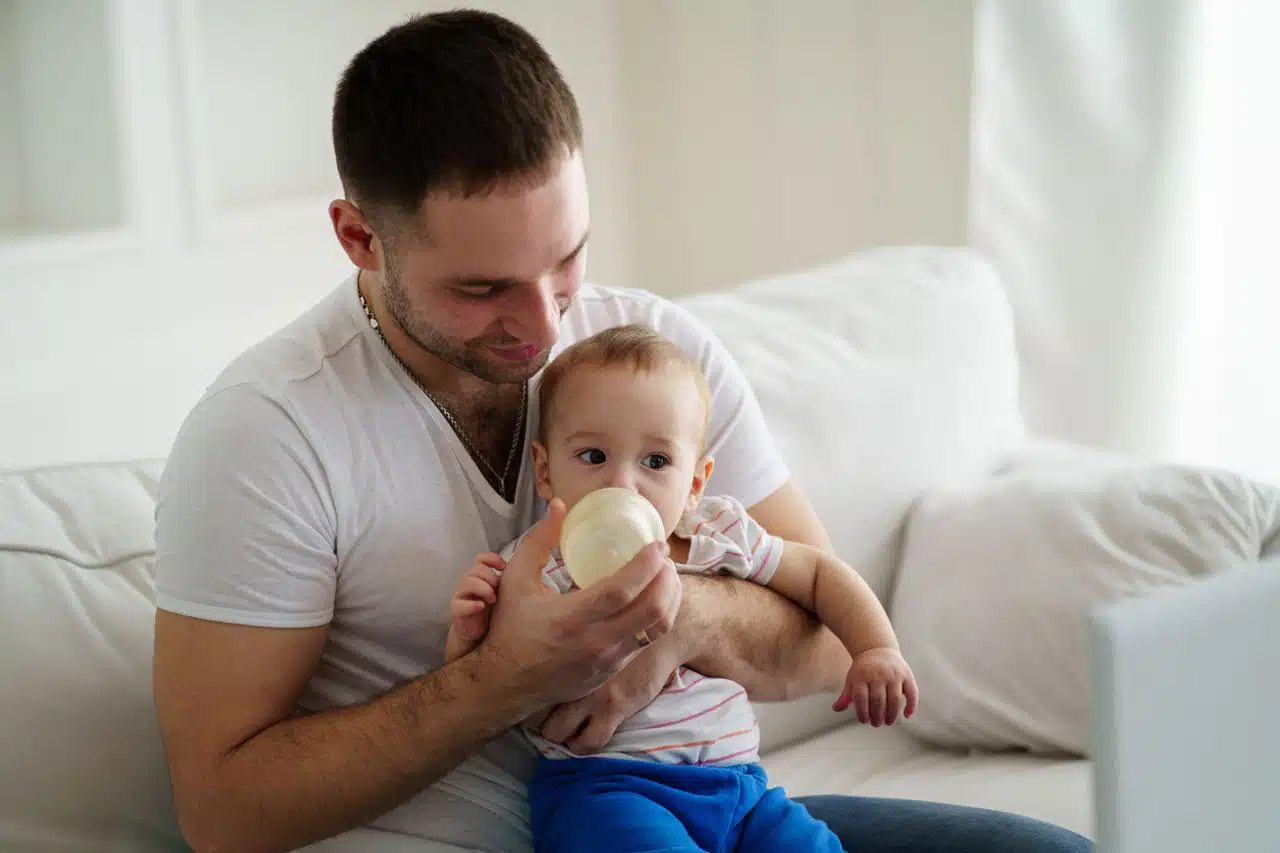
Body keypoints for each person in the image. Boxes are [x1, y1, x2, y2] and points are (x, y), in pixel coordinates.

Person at [151, 9, 1092, 853]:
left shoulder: (658, 357)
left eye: (567, 259)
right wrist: (507, 679)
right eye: (482, 289)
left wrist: (677, 623)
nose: (546, 322)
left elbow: (827, 643)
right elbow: (223, 811)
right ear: (360, 238)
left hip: (708, 802)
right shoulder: (267, 435)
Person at [444, 324, 918, 853]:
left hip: (743, 791)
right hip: (609, 792)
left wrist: (876, 649)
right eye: (594, 457)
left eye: (656, 462)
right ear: (546, 470)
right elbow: (489, 684)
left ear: (695, 484)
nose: (623, 484)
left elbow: (819, 575)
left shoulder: (715, 536)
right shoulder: (538, 567)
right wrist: (468, 631)